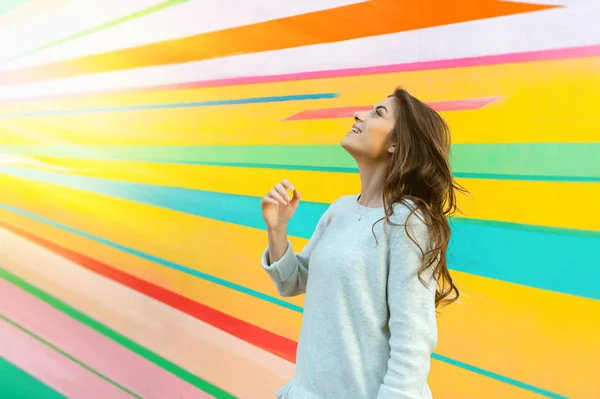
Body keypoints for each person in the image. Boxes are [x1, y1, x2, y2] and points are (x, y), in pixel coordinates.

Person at [260, 87, 463, 399]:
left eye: (377, 113)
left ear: (397, 143)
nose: (359, 115)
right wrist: (277, 230)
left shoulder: (408, 222)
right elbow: (294, 282)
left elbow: (413, 339)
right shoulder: (340, 209)